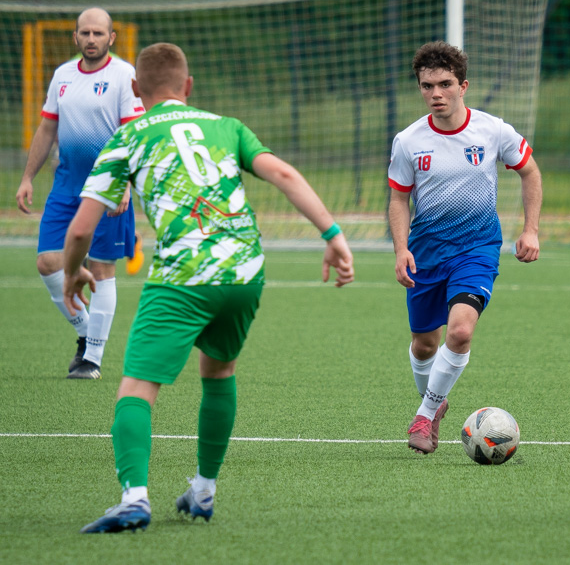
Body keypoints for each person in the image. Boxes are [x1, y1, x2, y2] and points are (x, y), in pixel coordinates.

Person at [63, 42, 355, 533]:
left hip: (184, 274)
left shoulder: (128, 136)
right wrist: (332, 235)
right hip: (244, 270)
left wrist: (73, 270)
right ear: (189, 87)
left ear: (136, 90)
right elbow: (282, 174)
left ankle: (134, 498)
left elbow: (79, 231)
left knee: (136, 385)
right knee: (219, 372)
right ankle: (203, 489)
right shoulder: (226, 126)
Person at [387, 41, 542, 455]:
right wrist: (401, 249)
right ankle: (434, 403)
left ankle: (424, 414)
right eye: (426, 86)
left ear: (463, 86)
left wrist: (530, 229)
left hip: (477, 248)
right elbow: (399, 198)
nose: (435, 93)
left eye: (444, 84)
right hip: (426, 253)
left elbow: (529, 171)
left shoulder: (492, 130)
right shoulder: (408, 141)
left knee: (459, 331)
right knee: (424, 344)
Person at [16, 8, 145, 380]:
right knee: (47, 262)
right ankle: (87, 333)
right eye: (85, 33)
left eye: (98, 33)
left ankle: (92, 359)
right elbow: (46, 129)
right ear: (75, 38)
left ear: (111, 38)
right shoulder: (63, 75)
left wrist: (124, 183)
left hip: (108, 187)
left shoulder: (124, 76)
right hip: (66, 185)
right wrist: (27, 177)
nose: (91, 39)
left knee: (103, 270)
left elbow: (132, 135)